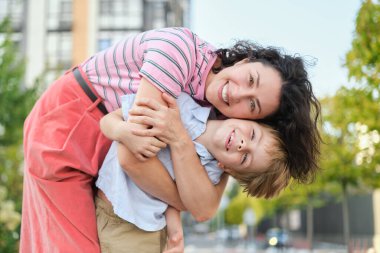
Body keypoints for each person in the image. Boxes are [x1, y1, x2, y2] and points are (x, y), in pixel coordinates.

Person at [21, 27, 321, 252]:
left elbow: (205, 206)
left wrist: (185, 196)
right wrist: (182, 197)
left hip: (107, 154)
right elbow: (132, 157)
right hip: (71, 124)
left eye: (252, 105)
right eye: (251, 79)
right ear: (245, 60)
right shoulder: (178, 52)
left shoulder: (221, 119)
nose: (238, 93)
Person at [95, 92, 290, 252]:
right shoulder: (182, 105)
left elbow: (171, 194)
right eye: (253, 135)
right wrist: (122, 132)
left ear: (228, 169)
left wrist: (174, 228)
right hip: (117, 212)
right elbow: (110, 120)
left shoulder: (210, 174)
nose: (242, 144)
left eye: (246, 157)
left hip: (153, 227)